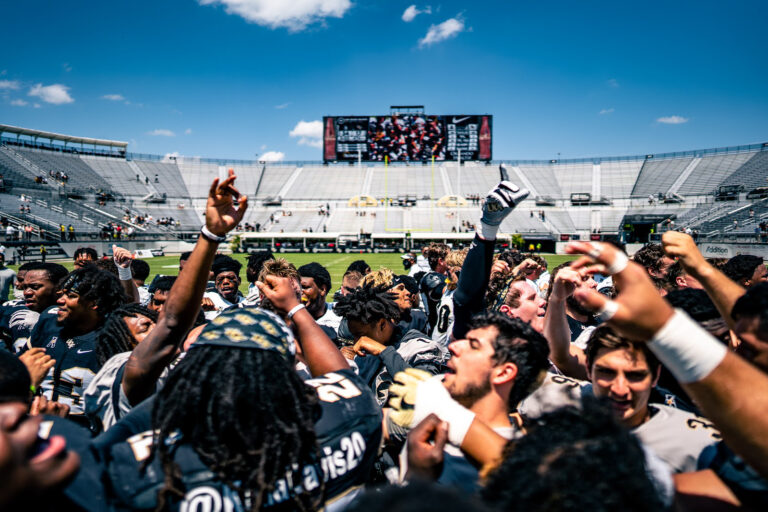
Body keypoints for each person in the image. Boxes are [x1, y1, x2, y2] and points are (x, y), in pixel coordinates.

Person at [388, 312, 550, 493]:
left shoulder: (496, 482)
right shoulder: (434, 402)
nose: (454, 346)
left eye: (474, 345)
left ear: (504, 373)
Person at [23, 265, 127, 423]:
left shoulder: (112, 339)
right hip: (37, 422)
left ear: (94, 303)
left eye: (70, 295)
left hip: (86, 431)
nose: (60, 300)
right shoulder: (48, 322)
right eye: (62, 293)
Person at [335, 285, 449, 404]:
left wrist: (384, 352)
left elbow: (425, 392)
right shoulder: (364, 357)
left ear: (382, 324)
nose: (356, 342)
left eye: (360, 335)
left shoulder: (420, 347)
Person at [299, 262, 342, 331]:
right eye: (297, 287)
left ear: (322, 289)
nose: (299, 291)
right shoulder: (290, 318)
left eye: (305, 287)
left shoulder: (340, 316)